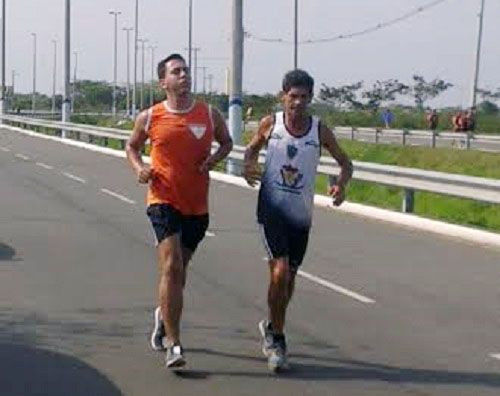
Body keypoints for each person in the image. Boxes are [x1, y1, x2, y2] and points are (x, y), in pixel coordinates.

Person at [126, 53, 232, 369]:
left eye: (185, 70)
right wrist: (139, 167)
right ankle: (174, 343)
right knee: (171, 267)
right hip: (162, 200)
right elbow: (132, 146)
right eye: (176, 71)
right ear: (164, 82)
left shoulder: (209, 115)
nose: (184, 75)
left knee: (179, 273)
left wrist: (213, 160)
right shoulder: (150, 117)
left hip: (197, 205)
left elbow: (226, 143)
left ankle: (163, 315)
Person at [243, 69, 353, 372]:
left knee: (288, 280)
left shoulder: (319, 131)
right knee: (279, 272)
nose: (298, 103)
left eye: (304, 97)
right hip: (271, 211)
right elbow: (250, 150)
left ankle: (270, 323)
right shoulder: (271, 124)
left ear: (310, 99)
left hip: (300, 216)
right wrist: (248, 166)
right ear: (283, 97)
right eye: (293, 97)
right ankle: (277, 339)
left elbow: (346, 163)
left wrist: (340, 185)